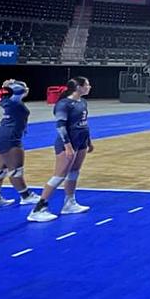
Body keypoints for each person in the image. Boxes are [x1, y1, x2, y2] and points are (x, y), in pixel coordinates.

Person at [27, 77, 93, 222]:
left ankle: (69, 203)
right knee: (60, 175)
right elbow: (61, 126)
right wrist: (67, 146)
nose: (89, 87)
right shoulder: (63, 104)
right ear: (78, 87)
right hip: (68, 143)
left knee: (74, 172)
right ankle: (38, 208)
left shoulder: (82, 102)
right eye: (87, 85)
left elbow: (84, 124)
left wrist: (89, 141)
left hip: (81, 142)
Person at [0, 79, 39, 210]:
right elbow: (19, 90)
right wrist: (11, 84)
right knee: (15, 170)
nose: (27, 89)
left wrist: (6, 86)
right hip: (10, 138)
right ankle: (26, 196)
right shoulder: (15, 102)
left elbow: (2, 94)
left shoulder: (7, 102)